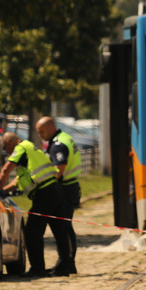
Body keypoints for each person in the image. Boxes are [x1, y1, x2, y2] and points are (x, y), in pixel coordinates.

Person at [0, 132, 75, 277]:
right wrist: (5, 191)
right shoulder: (30, 152)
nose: (5, 152)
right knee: (59, 230)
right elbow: (18, 182)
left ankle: (37, 268)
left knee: (32, 232)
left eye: (4, 148)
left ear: (9, 142)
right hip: (55, 190)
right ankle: (65, 266)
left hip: (44, 193)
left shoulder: (20, 147)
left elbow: (6, 170)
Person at [36, 116, 81, 275]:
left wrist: (48, 188)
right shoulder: (65, 138)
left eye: (41, 131)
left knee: (64, 227)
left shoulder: (58, 144)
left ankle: (66, 263)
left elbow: (59, 170)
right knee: (65, 226)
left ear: (50, 127)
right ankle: (67, 263)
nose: (40, 135)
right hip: (71, 186)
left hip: (65, 189)